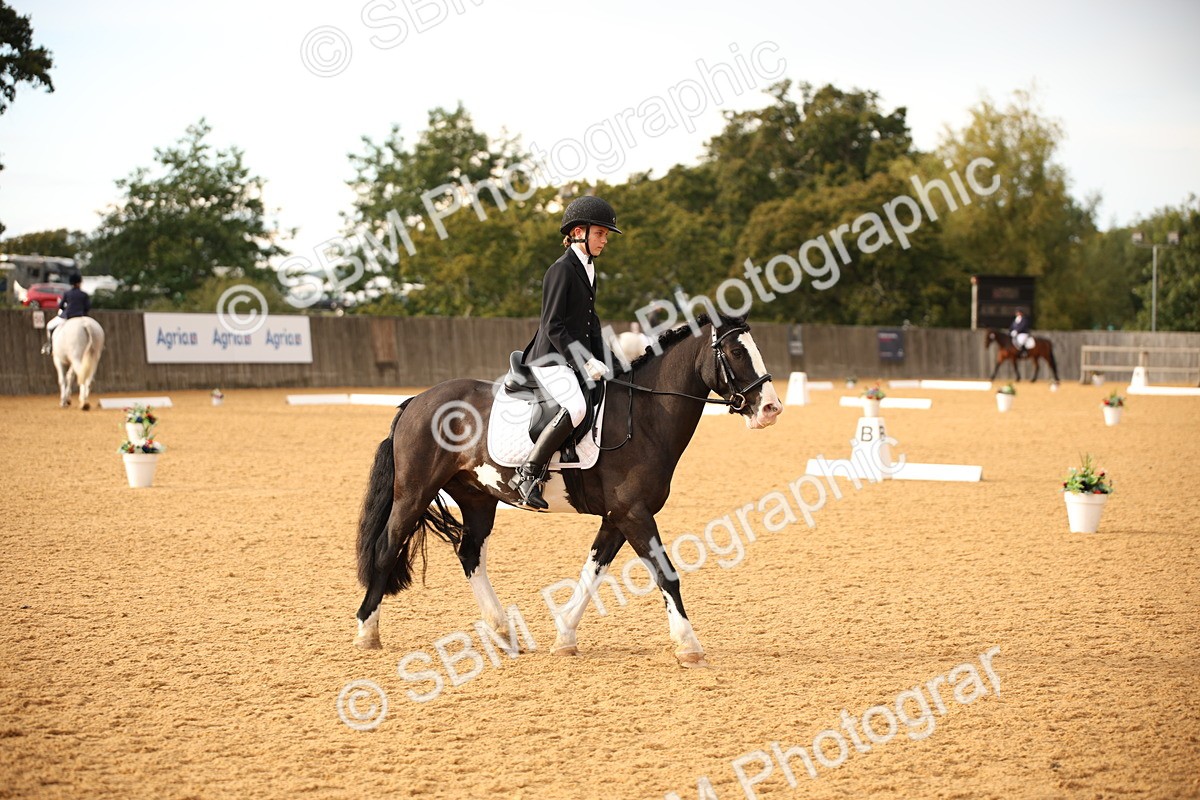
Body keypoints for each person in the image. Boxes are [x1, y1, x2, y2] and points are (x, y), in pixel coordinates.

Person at [509, 196, 620, 509]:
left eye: (606, 235)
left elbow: (591, 322)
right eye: (600, 233)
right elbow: (553, 325)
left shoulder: (589, 269)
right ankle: (527, 475)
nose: (604, 240)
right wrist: (583, 361)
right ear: (578, 232)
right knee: (576, 407)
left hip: (570, 357)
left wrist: (611, 362)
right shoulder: (561, 270)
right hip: (550, 357)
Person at [43, 274, 90, 355]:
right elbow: (88, 307)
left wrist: (66, 308)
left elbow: (60, 306)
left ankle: (50, 346)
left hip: (67, 316)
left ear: (71, 283)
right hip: (81, 316)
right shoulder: (84, 294)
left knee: (49, 326)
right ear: (79, 283)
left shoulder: (67, 293)